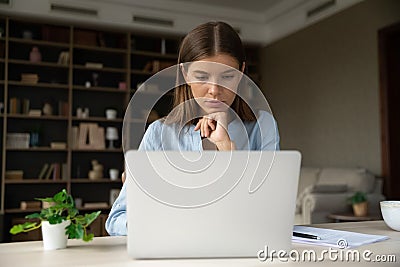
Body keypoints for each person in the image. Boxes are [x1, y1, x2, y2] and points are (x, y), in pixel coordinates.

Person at [105, 21, 280, 236]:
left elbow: (269, 216)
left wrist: (227, 149)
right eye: (202, 77)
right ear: (186, 74)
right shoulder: (159, 134)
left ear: (241, 73)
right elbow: (116, 221)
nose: (214, 90)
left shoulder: (262, 126)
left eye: (227, 76)